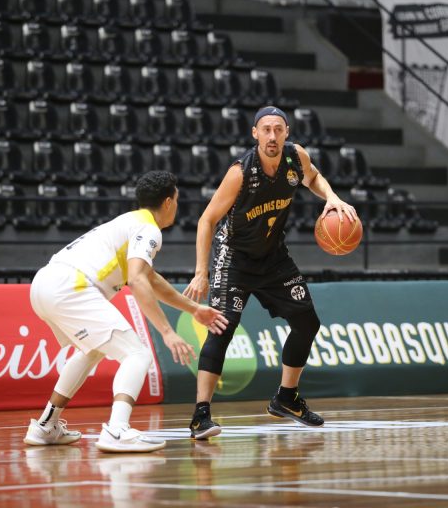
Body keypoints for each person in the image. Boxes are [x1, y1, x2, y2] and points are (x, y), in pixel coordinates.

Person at [183, 106, 357, 439]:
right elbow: (207, 220)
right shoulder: (240, 172)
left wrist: (331, 197)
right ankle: (200, 415)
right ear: (255, 134)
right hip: (234, 258)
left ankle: (286, 398)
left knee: (307, 322)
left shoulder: (296, 158)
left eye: (278, 129)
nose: (272, 136)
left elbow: (313, 178)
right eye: (266, 129)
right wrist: (201, 271)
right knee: (221, 329)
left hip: (273, 257)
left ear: (286, 132)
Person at [24, 171, 228, 453]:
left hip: (44, 284)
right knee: (137, 354)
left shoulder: (129, 222)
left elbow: (151, 279)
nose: (177, 206)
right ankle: (117, 430)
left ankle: (46, 425)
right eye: (177, 200)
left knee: (90, 351)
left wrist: (193, 308)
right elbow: (137, 279)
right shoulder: (149, 229)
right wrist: (167, 332)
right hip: (71, 286)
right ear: (168, 202)